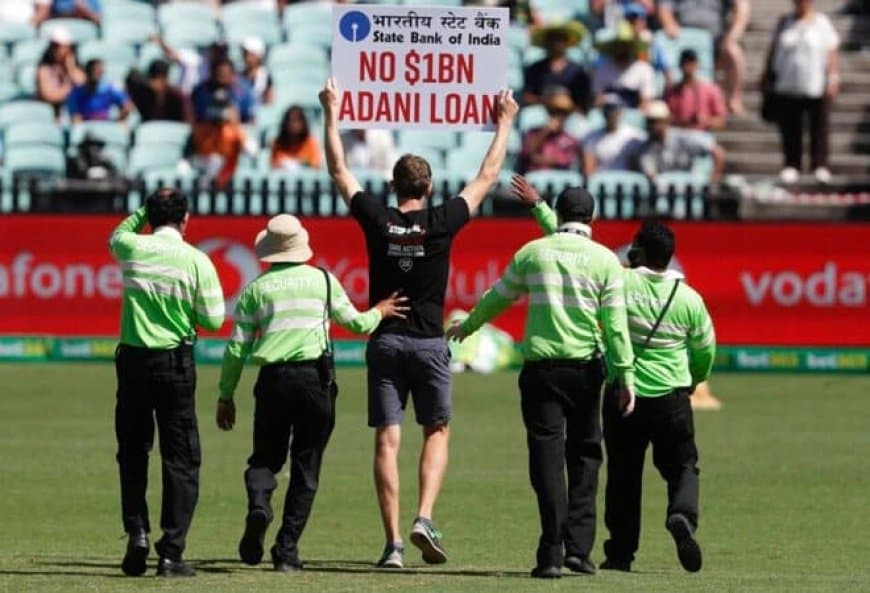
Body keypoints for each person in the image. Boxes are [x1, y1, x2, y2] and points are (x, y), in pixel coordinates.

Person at [320, 77, 518, 569]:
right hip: (430, 344)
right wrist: (506, 121)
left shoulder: (377, 218)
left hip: (385, 341)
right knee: (438, 430)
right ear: (428, 188)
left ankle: (392, 545)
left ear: (392, 187)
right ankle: (424, 516)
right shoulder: (442, 220)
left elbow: (339, 169)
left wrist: (332, 111)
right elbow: (488, 175)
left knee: (387, 440)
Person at [446, 178, 636, 579]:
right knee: (585, 456)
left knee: (547, 459)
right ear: (593, 217)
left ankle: (550, 552)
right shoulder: (606, 262)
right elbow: (616, 328)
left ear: (561, 215)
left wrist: (470, 325)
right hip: (587, 370)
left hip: (541, 373)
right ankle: (579, 551)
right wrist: (625, 376)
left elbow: (499, 295)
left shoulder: (534, 253)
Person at [216, 214, 409, 572]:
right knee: (306, 468)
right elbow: (356, 322)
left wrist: (226, 395)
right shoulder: (322, 280)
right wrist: (380, 312)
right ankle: (286, 550)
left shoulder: (256, 290)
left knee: (264, 460)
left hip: (272, 382)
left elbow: (236, 350)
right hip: (315, 382)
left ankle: (260, 502)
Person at [109, 188, 225, 578]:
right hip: (174, 364)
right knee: (181, 458)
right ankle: (171, 552)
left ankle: (137, 530)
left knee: (133, 451)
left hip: (132, 362)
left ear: (150, 216)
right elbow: (212, 319)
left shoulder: (132, 246)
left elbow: (116, 234)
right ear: (186, 220)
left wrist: (145, 208)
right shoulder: (196, 260)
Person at [599, 221, 714, 573]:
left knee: (623, 474)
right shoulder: (689, 298)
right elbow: (705, 349)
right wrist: (694, 380)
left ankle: (620, 554)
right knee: (682, 466)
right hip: (672, 398)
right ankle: (681, 513)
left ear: (638, 252)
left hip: (623, 394)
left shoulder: (621, 282)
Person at [760, 0, 840, 184]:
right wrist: (766, 74)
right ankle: (791, 164)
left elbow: (832, 51)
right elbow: (773, 50)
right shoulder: (783, 23)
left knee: (819, 127)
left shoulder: (822, 23)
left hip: (815, 83)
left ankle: (820, 165)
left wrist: (833, 78)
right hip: (787, 83)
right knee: (789, 127)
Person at [657, 0, 750, 114]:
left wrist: (733, 34)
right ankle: (671, 98)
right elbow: (664, 7)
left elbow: (742, 6)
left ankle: (733, 98)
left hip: (715, 41)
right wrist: (669, 23)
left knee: (734, 51)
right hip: (682, 39)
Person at [632, 101, 726, 183]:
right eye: (649, 122)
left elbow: (718, 152)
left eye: (656, 121)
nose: (652, 126)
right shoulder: (645, 149)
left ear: (666, 121)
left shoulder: (684, 138)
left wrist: (712, 181)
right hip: (665, 195)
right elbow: (651, 176)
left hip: (690, 193)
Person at [523, 22, 591, 113]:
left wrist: (565, 106)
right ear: (546, 42)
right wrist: (548, 101)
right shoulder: (535, 68)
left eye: (561, 39)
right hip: (542, 113)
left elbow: (583, 102)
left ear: (567, 42)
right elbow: (527, 96)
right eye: (553, 39)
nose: (557, 43)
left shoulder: (577, 71)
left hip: (570, 115)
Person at [592, 21, 657, 109]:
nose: (622, 50)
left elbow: (646, 102)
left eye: (625, 46)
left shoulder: (644, 69)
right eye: (619, 46)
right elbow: (597, 99)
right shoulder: (602, 70)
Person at [517, 87, 582, 174]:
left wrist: (539, 159)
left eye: (562, 113)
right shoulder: (534, 133)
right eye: (554, 112)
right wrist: (545, 131)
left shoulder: (570, 139)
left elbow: (565, 161)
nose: (558, 117)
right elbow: (527, 153)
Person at [664, 49, 727, 131]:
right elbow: (663, 118)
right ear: (680, 65)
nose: (688, 66)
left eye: (691, 63)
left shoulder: (710, 90)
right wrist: (681, 121)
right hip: (677, 133)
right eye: (685, 63)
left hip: (700, 134)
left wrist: (705, 121)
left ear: (697, 65)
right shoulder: (671, 91)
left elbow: (721, 121)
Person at [582, 94, 646, 175]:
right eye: (607, 108)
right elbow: (589, 168)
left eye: (614, 108)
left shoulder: (635, 135)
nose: (610, 113)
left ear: (621, 111)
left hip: (627, 182)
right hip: (601, 182)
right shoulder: (591, 137)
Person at [36, 27, 85, 119]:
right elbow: (50, 96)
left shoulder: (75, 68)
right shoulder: (44, 70)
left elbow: (83, 86)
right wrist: (70, 89)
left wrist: (70, 68)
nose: (56, 50)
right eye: (54, 46)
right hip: (54, 116)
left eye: (59, 46)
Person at [67, 58, 134, 123]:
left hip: (105, 126)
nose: (95, 74)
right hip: (86, 127)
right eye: (93, 71)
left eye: (99, 72)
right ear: (87, 72)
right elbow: (75, 117)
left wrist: (117, 122)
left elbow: (127, 106)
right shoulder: (76, 93)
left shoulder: (109, 90)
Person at [191, 58, 256, 125]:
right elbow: (193, 118)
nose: (221, 78)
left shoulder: (244, 91)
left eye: (224, 74)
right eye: (218, 74)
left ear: (232, 75)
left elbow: (251, 120)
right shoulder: (200, 92)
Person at [126, 59, 190, 123]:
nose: (159, 83)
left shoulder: (178, 97)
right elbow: (131, 77)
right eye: (156, 79)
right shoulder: (145, 93)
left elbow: (186, 121)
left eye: (162, 79)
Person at [271, 106, 322, 170]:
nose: (293, 124)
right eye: (290, 120)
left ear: (303, 122)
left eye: (296, 120)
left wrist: (299, 164)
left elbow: (315, 165)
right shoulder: (277, 142)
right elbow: (274, 164)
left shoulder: (311, 142)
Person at [240, 36, 274, 106]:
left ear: (258, 56)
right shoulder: (239, 75)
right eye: (245, 54)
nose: (247, 58)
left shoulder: (266, 75)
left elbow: (269, 100)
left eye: (250, 54)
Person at [34, 0, 102, 24]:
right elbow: (38, 19)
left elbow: (98, 18)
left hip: (81, 31)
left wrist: (83, 7)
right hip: (57, 31)